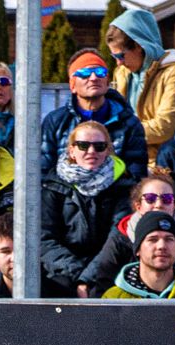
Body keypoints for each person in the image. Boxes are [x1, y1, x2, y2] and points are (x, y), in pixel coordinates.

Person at [41, 118, 138, 296]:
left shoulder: (123, 186)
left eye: (99, 146)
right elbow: (44, 239)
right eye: (83, 145)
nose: (91, 151)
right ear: (71, 151)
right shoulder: (52, 185)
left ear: (108, 150)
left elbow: (117, 237)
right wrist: (78, 275)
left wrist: (88, 278)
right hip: (63, 274)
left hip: (107, 272)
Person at [42, 50, 148, 179]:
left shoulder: (129, 123)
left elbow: (136, 175)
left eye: (100, 72)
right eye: (85, 73)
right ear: (72, 85)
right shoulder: (55, 121)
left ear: (107, 81)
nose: (93, 78)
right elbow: (45, 172)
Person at [80, 171, 175, 294]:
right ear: (138, 206)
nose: (159, 205)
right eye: (150, 199)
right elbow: (104, 280)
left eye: (167, 199)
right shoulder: (120, 237)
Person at [105, 6, 175, 151]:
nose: (118, 63)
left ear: (139, 46)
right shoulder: (122, 73)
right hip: (124, 155)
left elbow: (164, 127)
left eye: (121, 55)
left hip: (159, 162)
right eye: (114, 57)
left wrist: (115, 131)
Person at [100, 209, 175, 297]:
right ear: (138, 249)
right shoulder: (114, 298)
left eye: (169, 239)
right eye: (153, 239)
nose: (161, 246)